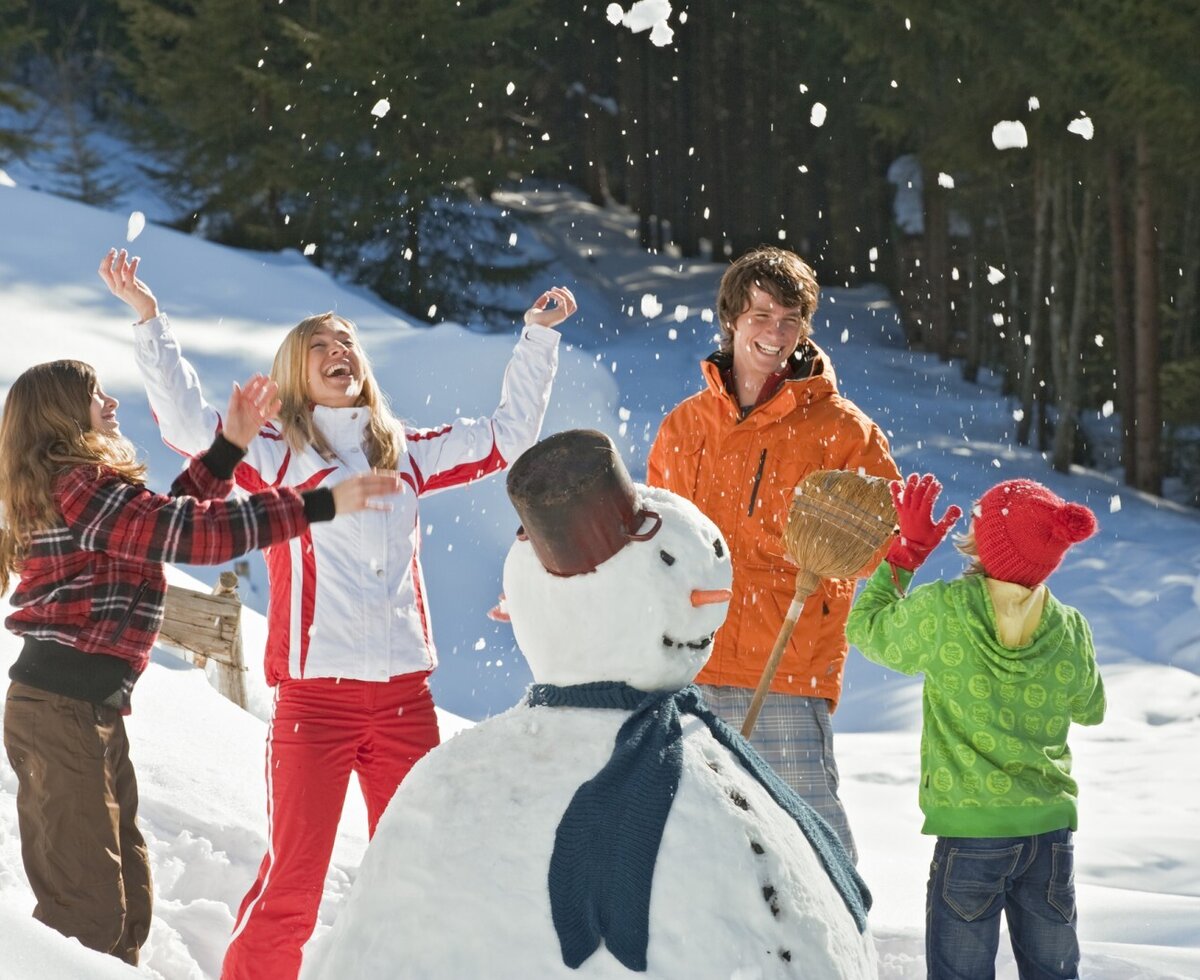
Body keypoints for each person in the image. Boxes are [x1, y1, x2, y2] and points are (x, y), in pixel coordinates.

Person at [99, 247, 577, 980]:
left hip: (404, 703)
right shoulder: (277, 452)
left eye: (347, 342)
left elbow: (507, 437)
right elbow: (190, 424)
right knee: (295, 884)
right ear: (296, 373)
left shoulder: (405, 453)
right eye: (319, 345)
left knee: (422, 874)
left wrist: (537, 339)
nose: (337, 351)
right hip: (314, 704)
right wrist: (148, 321)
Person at [0, 359, 400, 967]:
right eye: (94, 394)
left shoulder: (85, 491)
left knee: (126, 901)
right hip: (60, 711)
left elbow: (157, 529)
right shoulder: (78, 485)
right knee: (86, 910)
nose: (111, 403)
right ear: (61, 413)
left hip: (83, 711)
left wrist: (228, 450)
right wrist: (315, 505)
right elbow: (187, 535)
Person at [647, 245, 899, 862]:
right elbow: (654, 535)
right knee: (692, 829)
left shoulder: (844, 431)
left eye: (791, 320)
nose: (776, 333)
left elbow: (874, 545)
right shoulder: (686, 425)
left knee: (809, 832)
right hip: (692, 656)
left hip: (787, 658)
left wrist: (859, 542)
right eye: (762, 316)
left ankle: (839, 944)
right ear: (732, 319)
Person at [846, 474, 1105, 979]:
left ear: (983, 544)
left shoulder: (945, 611)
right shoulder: (1069, 626)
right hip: (1049, 833)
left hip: (971, 834)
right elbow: (1091, 708)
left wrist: (907, 555)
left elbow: (866, 628)